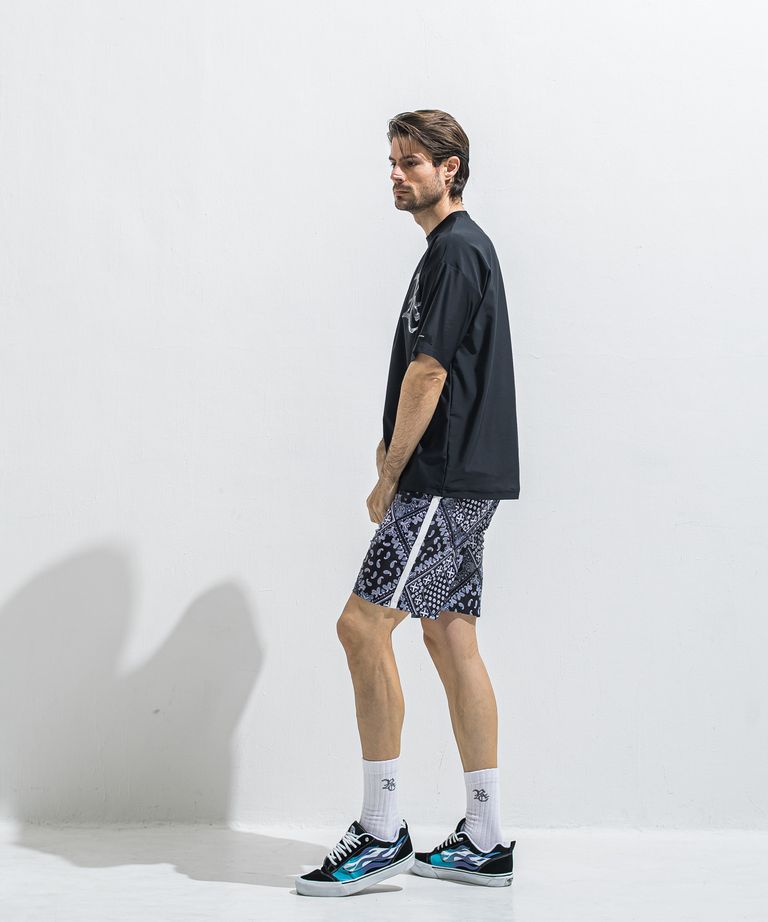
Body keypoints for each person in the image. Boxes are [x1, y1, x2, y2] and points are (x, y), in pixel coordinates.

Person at [296, 110, 520, 898]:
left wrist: (390, 475)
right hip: (465, 480)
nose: (397, 174)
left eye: (413, 162)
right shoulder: (451, 251)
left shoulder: (456, 251)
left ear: (450, 168)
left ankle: (382, 831)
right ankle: (485, 838)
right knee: (450, 637)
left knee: (361, 626)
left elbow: (429, 374)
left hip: (439, 479)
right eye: (392, 161)